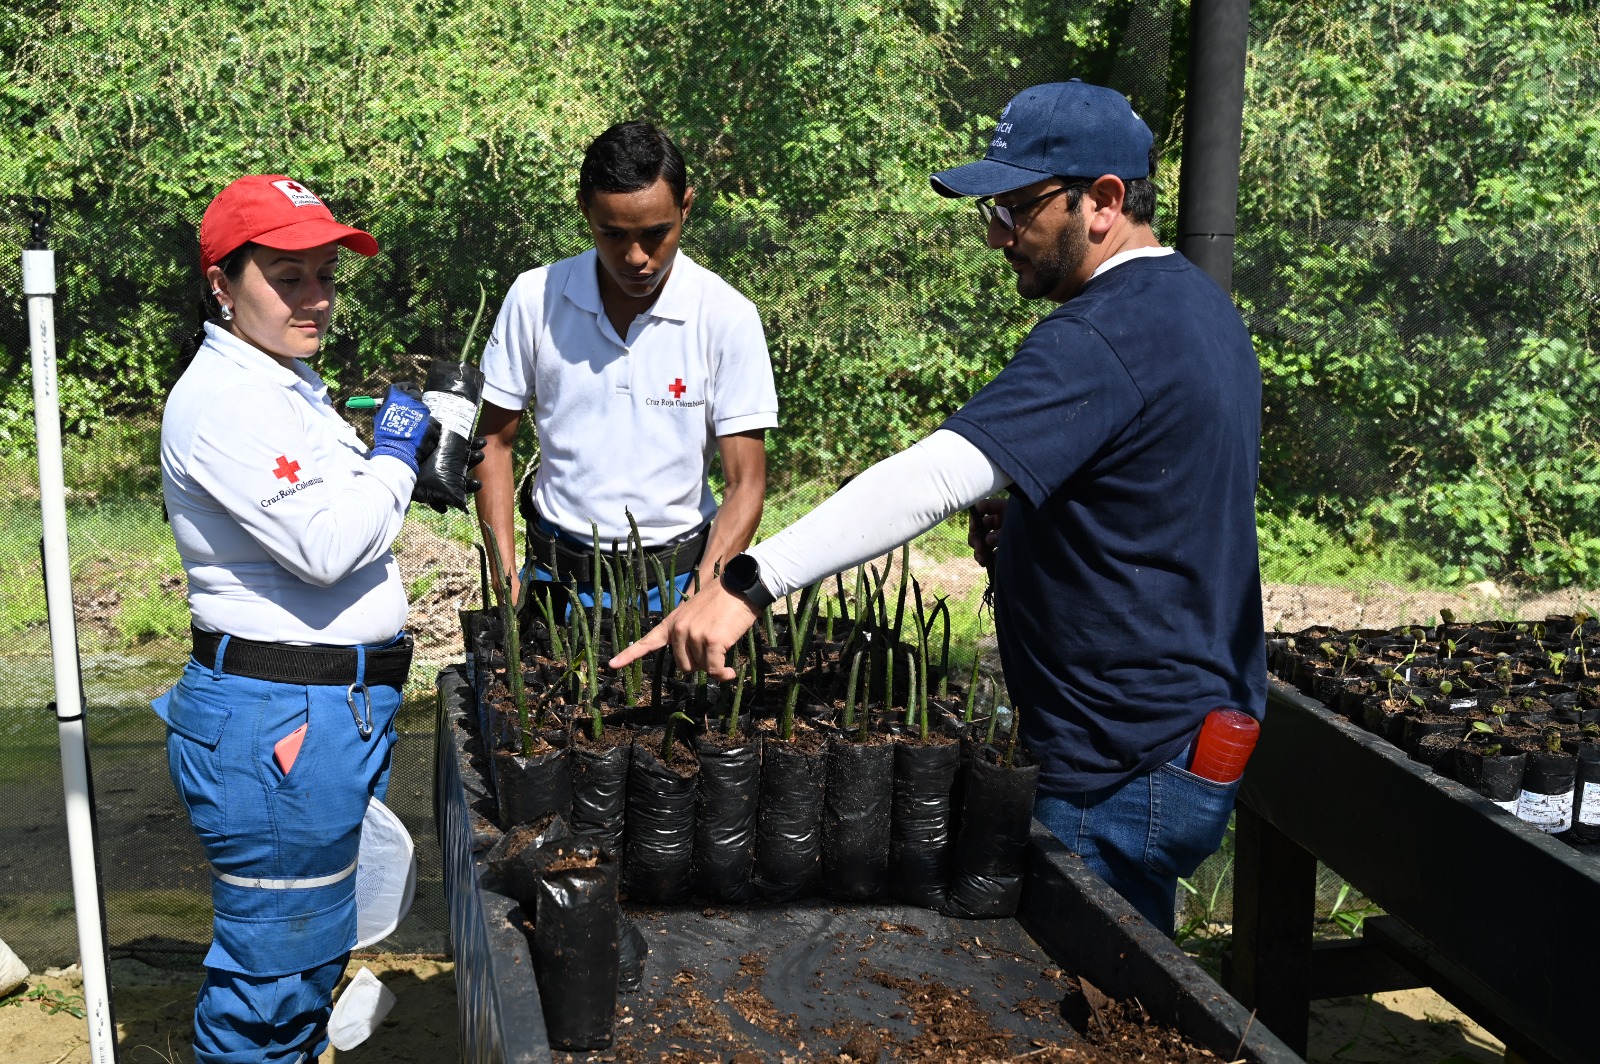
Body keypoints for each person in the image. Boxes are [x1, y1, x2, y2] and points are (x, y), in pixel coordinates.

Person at [611, 80, 1266, 935]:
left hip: (1120, 761)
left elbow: (928, 480)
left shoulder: (1104, 335)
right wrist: (1035, 525)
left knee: (1100, 999)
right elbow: (1159, 498)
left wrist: (746, 585)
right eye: (989, 212)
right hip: (1182, 733)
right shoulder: (1197, 308)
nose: (998, 239)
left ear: (1103, 201)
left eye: (1017, 210)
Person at [153, 174, 444, 1062]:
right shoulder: (226, 403)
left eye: (324, 274)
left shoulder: (286, 383)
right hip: (279, 723)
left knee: (309, 957)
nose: (314, 298)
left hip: (321, 714)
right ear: (221, 281)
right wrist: (398, 452)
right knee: (270, 989)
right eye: (287, 276)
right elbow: (324, 544)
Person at [474, 119, 778, 612]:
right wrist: (507, 581)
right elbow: (492, 442)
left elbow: (747, 483)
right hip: (556, 581)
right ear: (585, 212)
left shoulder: (726, 316)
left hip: (680, 582)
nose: (636, 257)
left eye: (656, 233)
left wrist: (699, 602)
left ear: (686, 206)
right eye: (612, 234)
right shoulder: (535, 298)